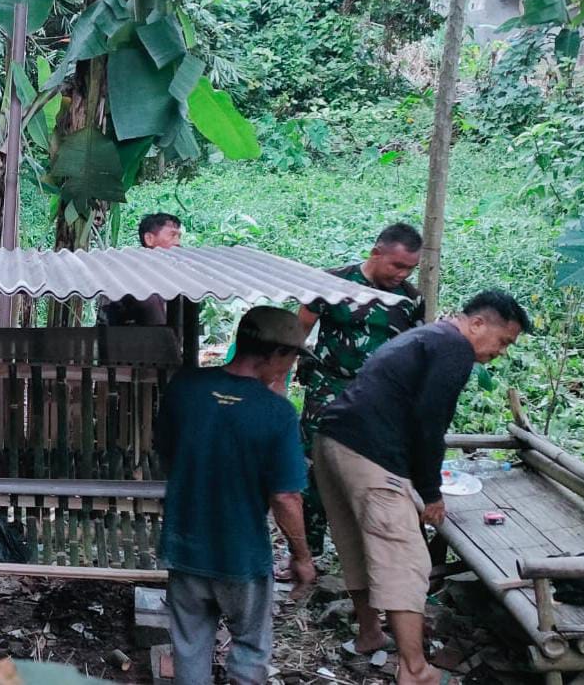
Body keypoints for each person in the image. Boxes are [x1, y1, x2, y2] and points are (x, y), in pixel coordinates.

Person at [312, 291, 530, 685]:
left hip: (333, 441)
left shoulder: (426, 337)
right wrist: (430, 493)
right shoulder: (454, 347)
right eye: (503, 341)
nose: (500, 352)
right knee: (405, 559)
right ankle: (415, 670)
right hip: (369, 452)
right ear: (477, 323)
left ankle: (369, 633)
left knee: (357, 543)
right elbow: (430, 422)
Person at [154, 307, 317, 685]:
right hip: (241, 555)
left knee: (190, 645)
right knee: (250, 648)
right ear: (275, 353)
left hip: (185, 546)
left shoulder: (185, 387)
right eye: (292, 356)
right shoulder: (276, 413)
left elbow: (166, 453)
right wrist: (302, 556)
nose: (291, 366)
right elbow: (286, 498)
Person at [296, 222, 426, 557]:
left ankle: (364, 548)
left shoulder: (410, 299)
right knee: (315, 466)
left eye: (410, 268)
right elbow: (297, 331)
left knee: (371, 467)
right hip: (328, 388)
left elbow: (415, 349)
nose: (402, 274)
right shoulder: (332, 282)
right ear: (376, 252)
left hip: (380, 398)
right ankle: (307, 551)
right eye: (397, 265)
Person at [98, 213, 182, 327]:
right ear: (149, 239)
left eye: (179, 236)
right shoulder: (126, 274)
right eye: (172, 235)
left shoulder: (176, 277)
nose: (178, 243)